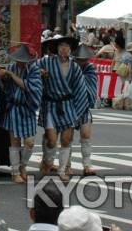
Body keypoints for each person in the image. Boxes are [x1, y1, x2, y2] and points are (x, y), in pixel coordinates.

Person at [37, 34, 88, 181]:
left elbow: (80, 89)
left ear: (71, 49)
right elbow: (32, 70)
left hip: (68, 105)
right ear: (57, 48)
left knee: (66, 140)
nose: (64, 48)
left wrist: (78, 110)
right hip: (51, 105)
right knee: (51, 140)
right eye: (61, 46)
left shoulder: (75, 67)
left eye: (66, 46)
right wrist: (40, 73)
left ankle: (62, 169)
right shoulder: (46, 62)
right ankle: (47, 161)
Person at [0, 43, 43, 184]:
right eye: (18, 59)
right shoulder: (11, 68)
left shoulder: (34, 70)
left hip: (27, 108)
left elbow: (30, 86)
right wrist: (1, 78)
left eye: (23, 60)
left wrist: (11, 76)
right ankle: (15, 172)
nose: (20, 62)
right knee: (15, 141)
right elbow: (5, 89)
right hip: (14, 107)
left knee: (29, 142)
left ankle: (23, 165)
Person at [70, 44, 98, 176]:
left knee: (86, 135)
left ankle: (87, 164)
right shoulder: (68, 67)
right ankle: (66, 164)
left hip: (84, 104)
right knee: (67, 137)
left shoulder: (90, 68)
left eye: (84, 59)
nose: (82, 61)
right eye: (79, 59)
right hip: (69, 104)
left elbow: (91, 84)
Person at [111, 33, 132, 110]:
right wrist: (131, 75)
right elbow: (130, 67)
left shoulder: (125, 54)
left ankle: (123, 104)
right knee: (127, 90)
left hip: (120, 72)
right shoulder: (130, 56)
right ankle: (117, 101)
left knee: (125, 89)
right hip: (127, 74)